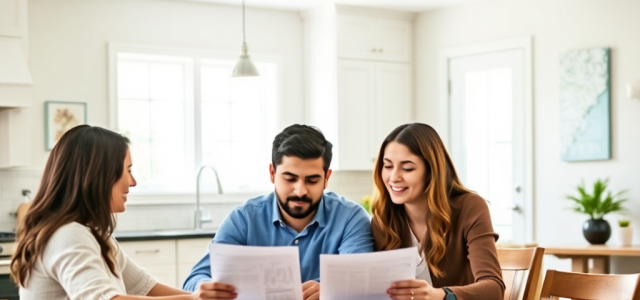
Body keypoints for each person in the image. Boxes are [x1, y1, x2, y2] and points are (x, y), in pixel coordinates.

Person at [10, 125, 221, 300]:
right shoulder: (69, 235)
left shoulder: (95, 236)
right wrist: (193, 298)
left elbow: (145, 287)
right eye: (128, 170)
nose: (133, 182)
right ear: (99, 176)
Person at [183, 124, 374, 300]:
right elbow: (194, 279)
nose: (300, 191)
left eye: (312, 180)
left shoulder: (351, 218)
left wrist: (330, 288)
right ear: (272, 173)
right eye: (290, 178)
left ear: (327, 178)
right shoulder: (244, 218)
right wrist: (207, 287)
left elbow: (359, 279)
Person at [370, 123, 505, 300]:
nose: (394, 177)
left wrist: (441, 295)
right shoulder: (383, 220)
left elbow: (494, 288)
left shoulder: (469, 207)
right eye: (387, 166)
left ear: (431, 171)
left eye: (407, 168)